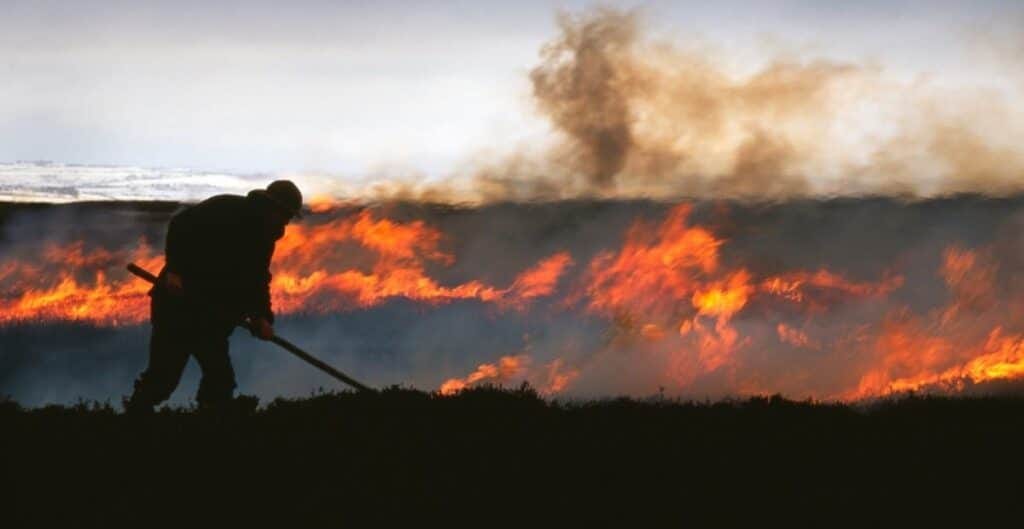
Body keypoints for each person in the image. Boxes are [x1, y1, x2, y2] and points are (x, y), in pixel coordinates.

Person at [124, 180, 302, 413]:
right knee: (162, 380)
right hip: (177, 307)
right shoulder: (225, 208)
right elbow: (179, 225)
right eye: (285, 214)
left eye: (289, 217)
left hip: (213, 317)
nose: (286, 222)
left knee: (220, 381)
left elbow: (257, 279)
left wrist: (261, 316)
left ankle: (211, 429)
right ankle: (135, 417)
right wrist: (175, 271)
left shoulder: (265, 237)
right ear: (271, 207)